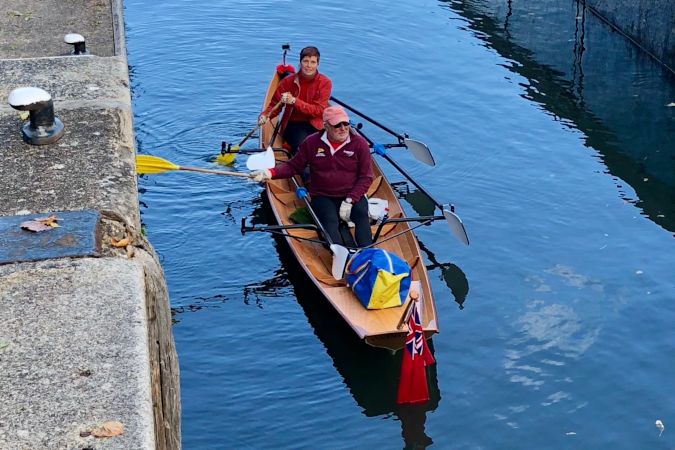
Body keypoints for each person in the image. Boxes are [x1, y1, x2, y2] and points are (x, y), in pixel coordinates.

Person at [251, 105, 374, 248]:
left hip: (352, 195)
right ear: (326, 126)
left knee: (361, 216)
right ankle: (341, 255)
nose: (343, 128)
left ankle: (368, 254)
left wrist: (350, 200)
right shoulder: (311, 143)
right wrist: (269, 173)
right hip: (323, 195)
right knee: (330, 225)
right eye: (337, 125)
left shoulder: (359, 144)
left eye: (345, 123)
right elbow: (293, 166)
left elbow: (366, 178)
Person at [258, 46, 332, 153]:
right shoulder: (288, 82)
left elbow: (318, 110)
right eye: (305, 61)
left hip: (317, 124)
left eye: (313, 62)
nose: (309, 66)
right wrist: (264, 115)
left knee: (326, 149)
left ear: (317, 64)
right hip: (294, 124)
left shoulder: (325, 82)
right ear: (300, 62)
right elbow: (274, 106)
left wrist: (294, 101)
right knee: (304, 150)